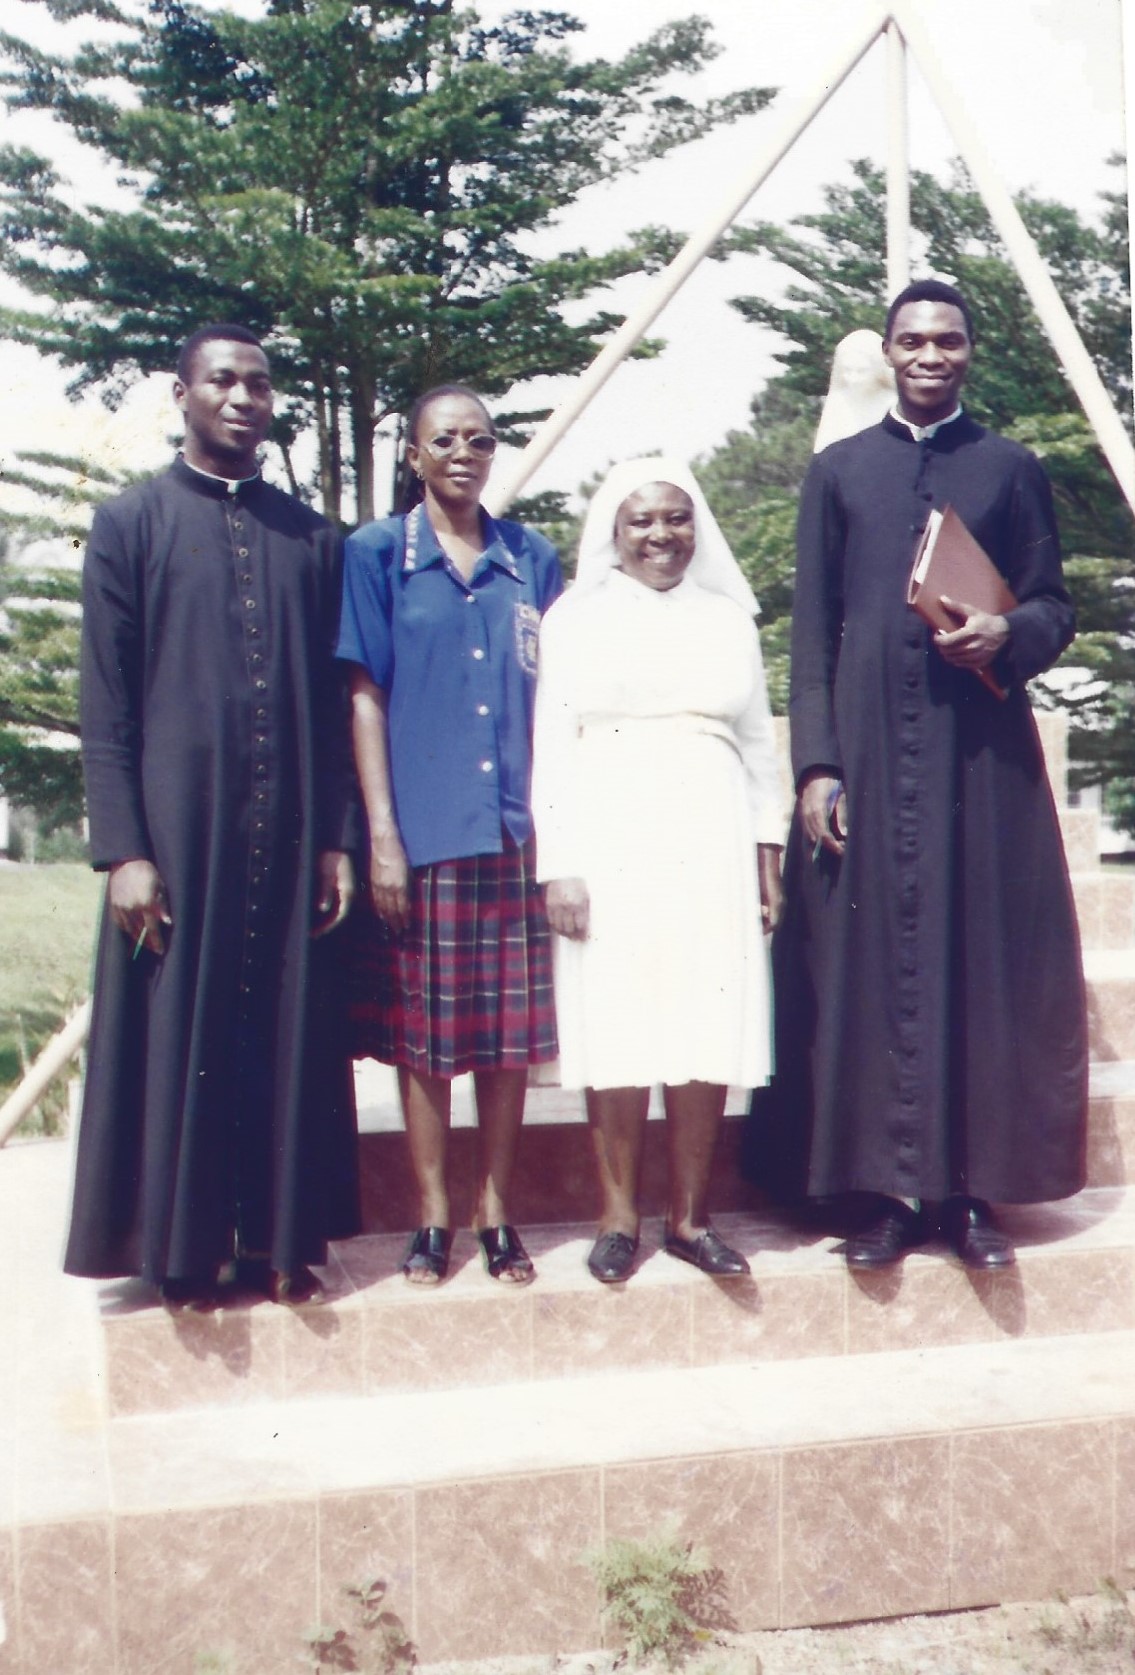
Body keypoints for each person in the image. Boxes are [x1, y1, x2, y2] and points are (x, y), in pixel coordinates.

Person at [751, 278, 1088, 1270]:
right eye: (913, 341)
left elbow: (1053, 605)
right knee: (865, 971)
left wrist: (1006, 631)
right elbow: (811, 634)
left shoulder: (1009, 467)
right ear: (889, 353)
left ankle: (969, 1194)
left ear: (968, 351)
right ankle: (888, 1195)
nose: (930, 356)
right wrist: (816, 766)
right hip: (864, 750)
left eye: (947, 340)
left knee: (973, 962)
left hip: (976, 757)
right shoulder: (839, 471)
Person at [65, 323, 360, 1308]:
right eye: (223, 381)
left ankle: (280, 1240)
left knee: (283, 1026)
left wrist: (336, 840)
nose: (242, 397)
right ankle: (183, 1252)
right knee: (178, 1032)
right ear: (182, 395)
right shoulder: (130, 523)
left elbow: (335, 705)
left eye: (259, 384)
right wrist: (123, 849)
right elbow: (105, 702)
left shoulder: (312, 538)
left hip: (292, 831)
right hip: (178, 834)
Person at [532, 457, 785, 1285]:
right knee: (618, 1019)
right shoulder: (575, 617)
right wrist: (559, 865)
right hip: (610, 831)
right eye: (641, 519)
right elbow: (551, 744)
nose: (660, 535)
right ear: (613, 528)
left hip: (711, 831)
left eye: (676, 517)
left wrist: (767, 854)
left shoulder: (727, 618)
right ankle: (617, 1218)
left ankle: (689, 1218)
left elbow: (756, 743)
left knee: (704, 1015)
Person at [337, 384, 562, 1287]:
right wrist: (383, 836)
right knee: (424, 1040)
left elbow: (558, 696)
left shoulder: (529, 557)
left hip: (515, 831)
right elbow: (365, 696)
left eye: (478, 439)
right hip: (425, 832)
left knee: (506, 1039)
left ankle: (495, 1213)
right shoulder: (378, 553)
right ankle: (432, 1217)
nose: (462, 454)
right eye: (444, 441)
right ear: (414, 456)